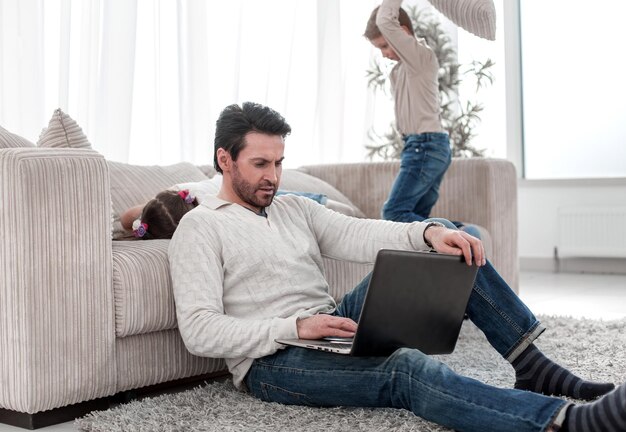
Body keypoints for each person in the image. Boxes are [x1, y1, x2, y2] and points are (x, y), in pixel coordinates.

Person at [168, 102, 625, 432]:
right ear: (224, 160)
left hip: (334, 326)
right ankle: (564, 422)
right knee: (406, 368)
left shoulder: (293, 209)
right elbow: (200, 330)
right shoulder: (201, 228)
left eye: (280, 162)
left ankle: (535, 366)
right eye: (260, 163)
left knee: (449, 239)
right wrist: (295, 326)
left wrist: (427, 233)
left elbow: (362, 234)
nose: (273, 176)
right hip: (275, 362)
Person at [364, 0, 453, 225]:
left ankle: (459, 235)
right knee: (417, 224)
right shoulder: (400, 70)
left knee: (394, 212)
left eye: (385, 45)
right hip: (422, 146)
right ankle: (463, 233)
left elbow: (385, 19)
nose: (383, 54)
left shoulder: (420, 58)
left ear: (401, 33)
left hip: (425, 146)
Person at [120, 176, 358, 239]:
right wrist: (142, 225)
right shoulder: (177, 197)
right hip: (246, 197)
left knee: (337, 211)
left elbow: (127, 219)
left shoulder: (212, 205)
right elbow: (128, 218)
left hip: (253, 193)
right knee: (334, 212)